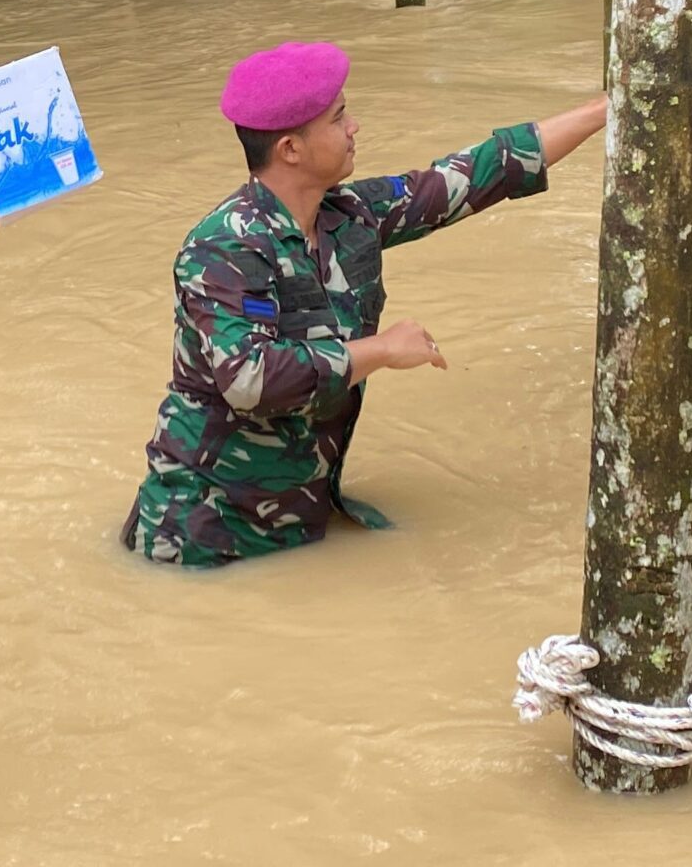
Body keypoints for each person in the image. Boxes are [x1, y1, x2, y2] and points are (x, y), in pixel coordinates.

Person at [120, 42, 607, 567]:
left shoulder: (350, 215)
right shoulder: (223, 248)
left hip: (301, 516)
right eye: (339, 117)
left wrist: (605, 109)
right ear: (291, 149)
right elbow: (250, 380)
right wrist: (382, 350)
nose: (354, 127)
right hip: (200, 537)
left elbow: (474, 176)